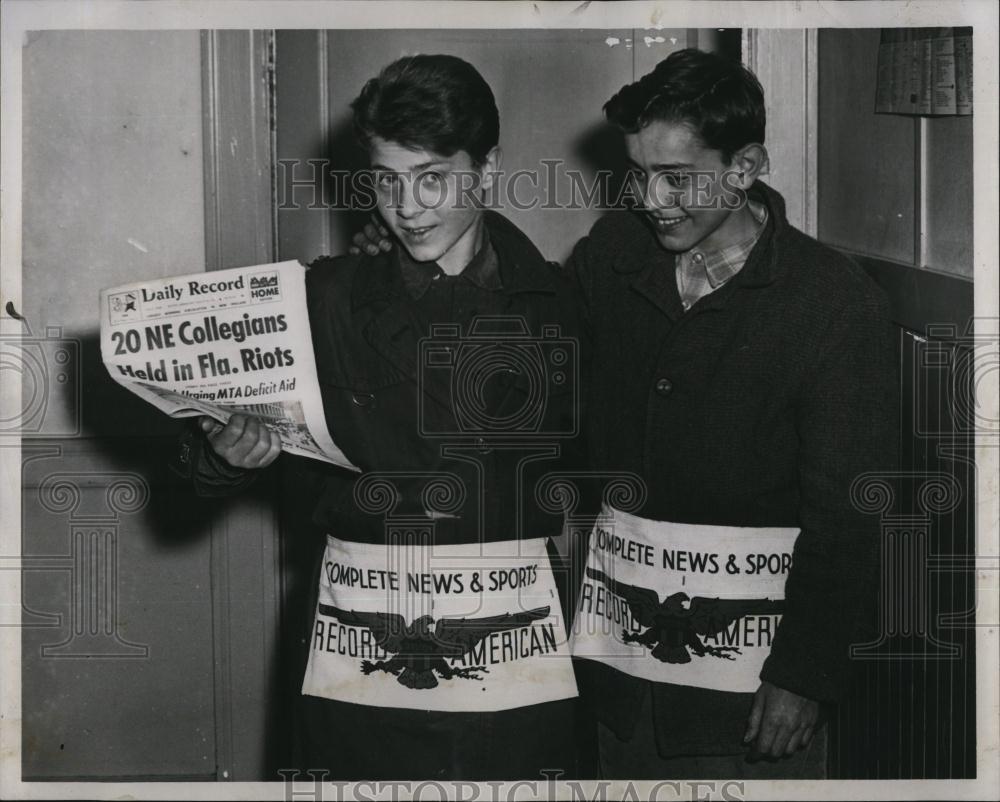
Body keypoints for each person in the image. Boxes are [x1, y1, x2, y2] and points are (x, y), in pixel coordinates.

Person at [353, 48, 898, 779]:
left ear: (746, 167)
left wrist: (804, 674)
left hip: (749, 693)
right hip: (616, 677)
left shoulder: (833, 302)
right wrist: (413, 259)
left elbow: (851, 516)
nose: (652, 198)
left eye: (678, 177)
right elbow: (533, 335)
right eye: (639, 173)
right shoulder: (614, 253)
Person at [176, 54, 586, 780]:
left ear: (487, 167)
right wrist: (222, 456)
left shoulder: (561, 304)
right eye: (387, 181)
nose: (408, 207)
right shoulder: (321, 300)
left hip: (509, 643)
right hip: (360, 643)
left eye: (433, 177)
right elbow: (197, 461)